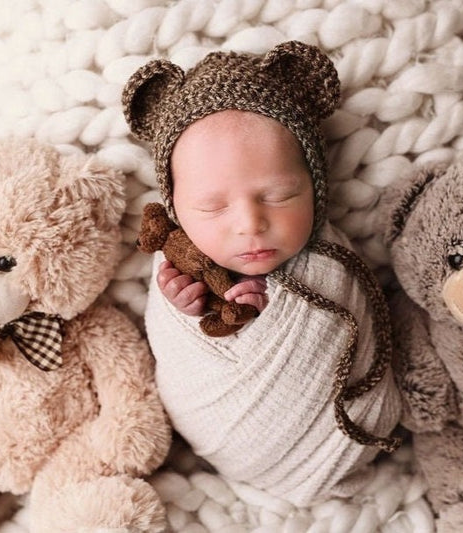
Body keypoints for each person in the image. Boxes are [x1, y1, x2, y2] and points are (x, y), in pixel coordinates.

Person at [122, 41, 401, 506]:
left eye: (278, 196)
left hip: (343, 440)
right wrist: (188, 307)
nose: (250, 224)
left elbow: (352, 327)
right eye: (212, 206)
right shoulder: (180, 264)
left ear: (315, 187)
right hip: (228, 443)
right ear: (175, 210)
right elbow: (180, 350)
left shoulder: (333, 264)